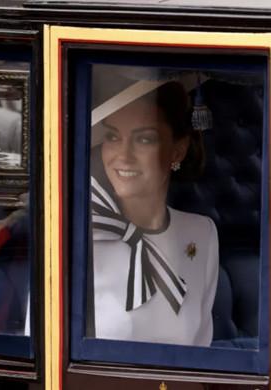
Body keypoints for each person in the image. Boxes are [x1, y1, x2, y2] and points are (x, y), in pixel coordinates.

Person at [90, 79, 219, 346]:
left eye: (144, 139)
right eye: (113, 137)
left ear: (177, 150)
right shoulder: (77, 233)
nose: (123, 156)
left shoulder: (201, 234)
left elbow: (200, 352)